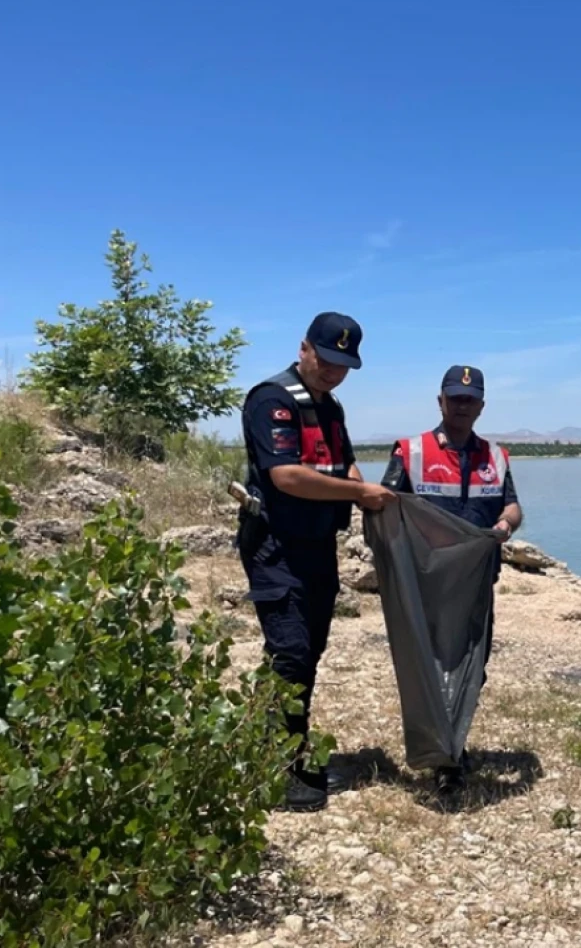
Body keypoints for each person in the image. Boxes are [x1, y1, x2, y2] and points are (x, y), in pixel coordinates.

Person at [238, 312, 397, 813]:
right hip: (277, 546)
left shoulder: (330, 407)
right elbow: (287, 476)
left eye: (343, 365)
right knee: (289, 653)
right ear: (305, 348)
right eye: (326, 360)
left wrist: (368, 495)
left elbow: (342, 463)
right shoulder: (273, 400)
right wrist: (358, 491)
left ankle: (284, 750)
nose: (333, 371)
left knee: (308, 654)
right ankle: (275, 770)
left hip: (318, 545)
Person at [381, 364, 523, 791]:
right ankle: (443, 757)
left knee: (471, 667)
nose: (462, 406)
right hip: (425, 583)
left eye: (470, 399)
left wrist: (505, 526)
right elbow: (385, 504)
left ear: (481, 405)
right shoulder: (410, 451)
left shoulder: (496, 457)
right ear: (440, 401)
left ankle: (451, 746)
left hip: (478, 583)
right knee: (431, 664)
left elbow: (513, 507)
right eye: (454, 398)